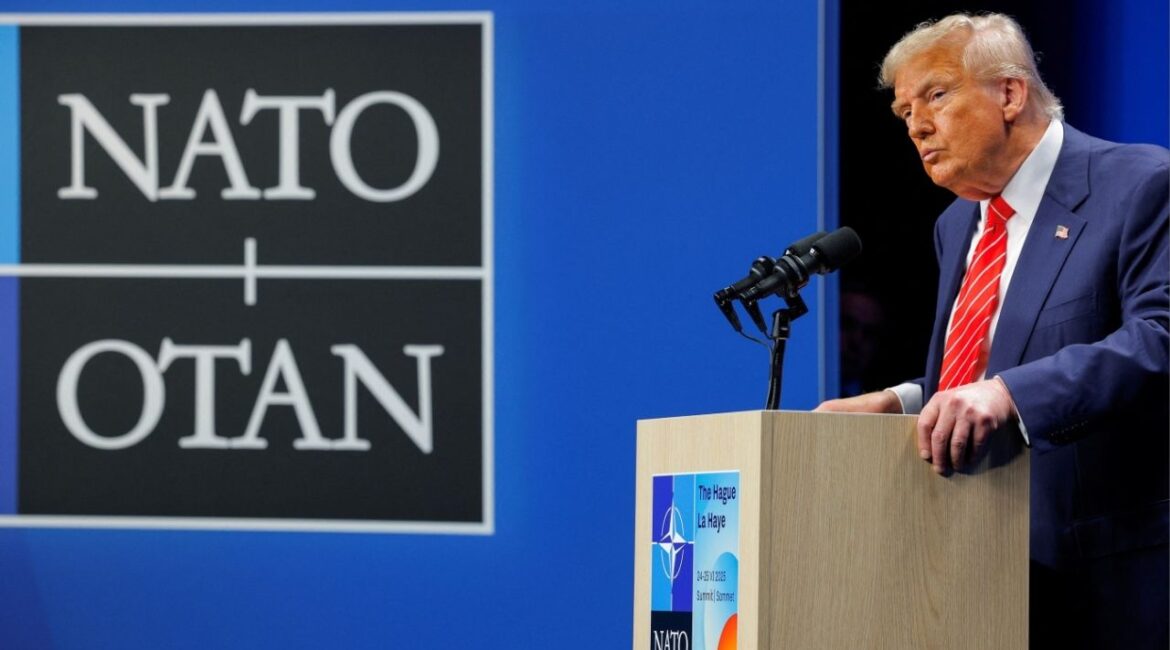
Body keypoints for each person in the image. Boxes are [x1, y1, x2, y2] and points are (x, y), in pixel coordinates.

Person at [817, 13, 1169, 649]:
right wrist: (907, 400)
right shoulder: (957, 225)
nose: (917, 125)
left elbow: (1159, 337)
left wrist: (1009, 394)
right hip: (966, 564)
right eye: (904, 113)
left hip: (1098, 575)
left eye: (936, 95)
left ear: (1009, 93)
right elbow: (991, 363)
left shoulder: (1140, 183)